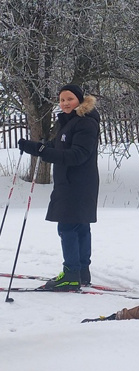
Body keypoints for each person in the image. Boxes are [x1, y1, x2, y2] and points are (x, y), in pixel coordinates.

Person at [18, 84, 100, 291]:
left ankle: (72, 273)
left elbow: (77, 155)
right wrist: (33, 147)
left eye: (69, 99)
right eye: (62, 99)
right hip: (70, 183)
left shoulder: (85, 123)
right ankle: (81, 272)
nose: (65, 103)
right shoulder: (68, 123)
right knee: (79, 226)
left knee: (68, 227)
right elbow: (54, 147)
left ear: (79, 100)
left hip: (77, 185)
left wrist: (44, 151)